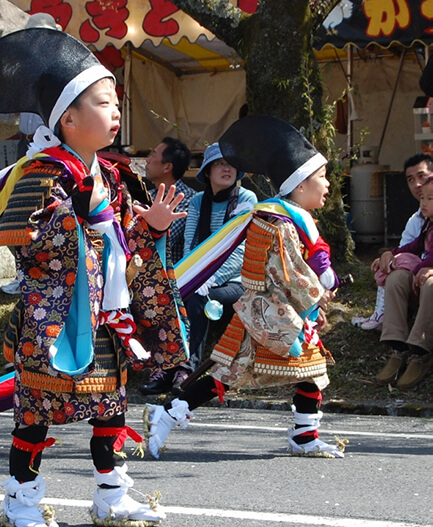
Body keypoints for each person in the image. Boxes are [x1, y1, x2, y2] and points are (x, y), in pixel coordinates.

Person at [0, 28, 185, 527]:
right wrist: (75, 214)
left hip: (106, 315)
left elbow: (121, 242)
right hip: (52, 318)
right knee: (36, 411)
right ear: (68, 118)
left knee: (111, 405)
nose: (115, 113)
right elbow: (25, 239)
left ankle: (111, 495)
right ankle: (20, 500)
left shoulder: (111, 174)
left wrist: (146, 226)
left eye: (115, 104)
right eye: (104, 103)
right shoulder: (40, 172)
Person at [146, 115, 345, 461]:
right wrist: (319, 292)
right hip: (268, 314)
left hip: (278, 312)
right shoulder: (276, 221)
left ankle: (305, 434)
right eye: (321, 178)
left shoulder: (278, 215)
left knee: (310, 369)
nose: (327, 185)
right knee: (227, 373)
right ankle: (170, 410)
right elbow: (287, 273)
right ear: (300, 186)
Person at [181, 144, 256, 370]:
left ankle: (188, 367)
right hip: (201, 274)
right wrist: (189, 276)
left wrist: (213, 278)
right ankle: (163, 370)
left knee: (197, 298)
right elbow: (190, 243)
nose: (227, 169)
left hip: (236, 280)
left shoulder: (246, 198)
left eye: (231, 164)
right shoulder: (197, 201)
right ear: (207, 172)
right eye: (219, 164)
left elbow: (242, 249)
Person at [137, 136, 196, 395]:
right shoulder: (141, 197)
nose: (147, 160)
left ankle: (175, 366)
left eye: (153, 154)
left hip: (177, 270)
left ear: (167, 167)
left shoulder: (189, 199)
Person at [352, 153, 430, 330]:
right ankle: (393, 334)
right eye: (411, 179)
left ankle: (420, 346)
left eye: (422, 176)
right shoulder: (416, 221)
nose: (417, 184)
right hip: (419, 281)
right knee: (394, 271)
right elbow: (407, 249)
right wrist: (389, 256)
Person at [373, 177, 433, 390]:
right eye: (422, 198)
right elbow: (414, 246)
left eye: (430, 198)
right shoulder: (427, 224)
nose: (423, 203)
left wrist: (421, 269)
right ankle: (397, 345)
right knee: (397, 278)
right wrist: (389, 253)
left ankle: (420, 351)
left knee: (430, 283)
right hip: (422, 277)